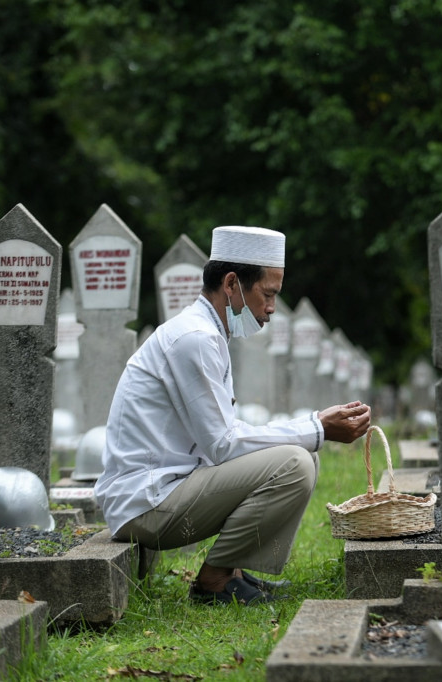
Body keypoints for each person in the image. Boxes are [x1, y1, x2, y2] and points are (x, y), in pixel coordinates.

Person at [95, 225, 371, 605]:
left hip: (162, 490)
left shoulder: (208, 333)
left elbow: (224, 435)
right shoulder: (195, 338)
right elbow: (223, 445)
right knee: (295, 463)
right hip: (146, 502)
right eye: (268, 294)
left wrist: (313, 429)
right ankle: (214, 583)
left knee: (300, 457)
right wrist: (316, 428)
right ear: (231, 283)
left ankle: (234, 571)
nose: (271, 308)